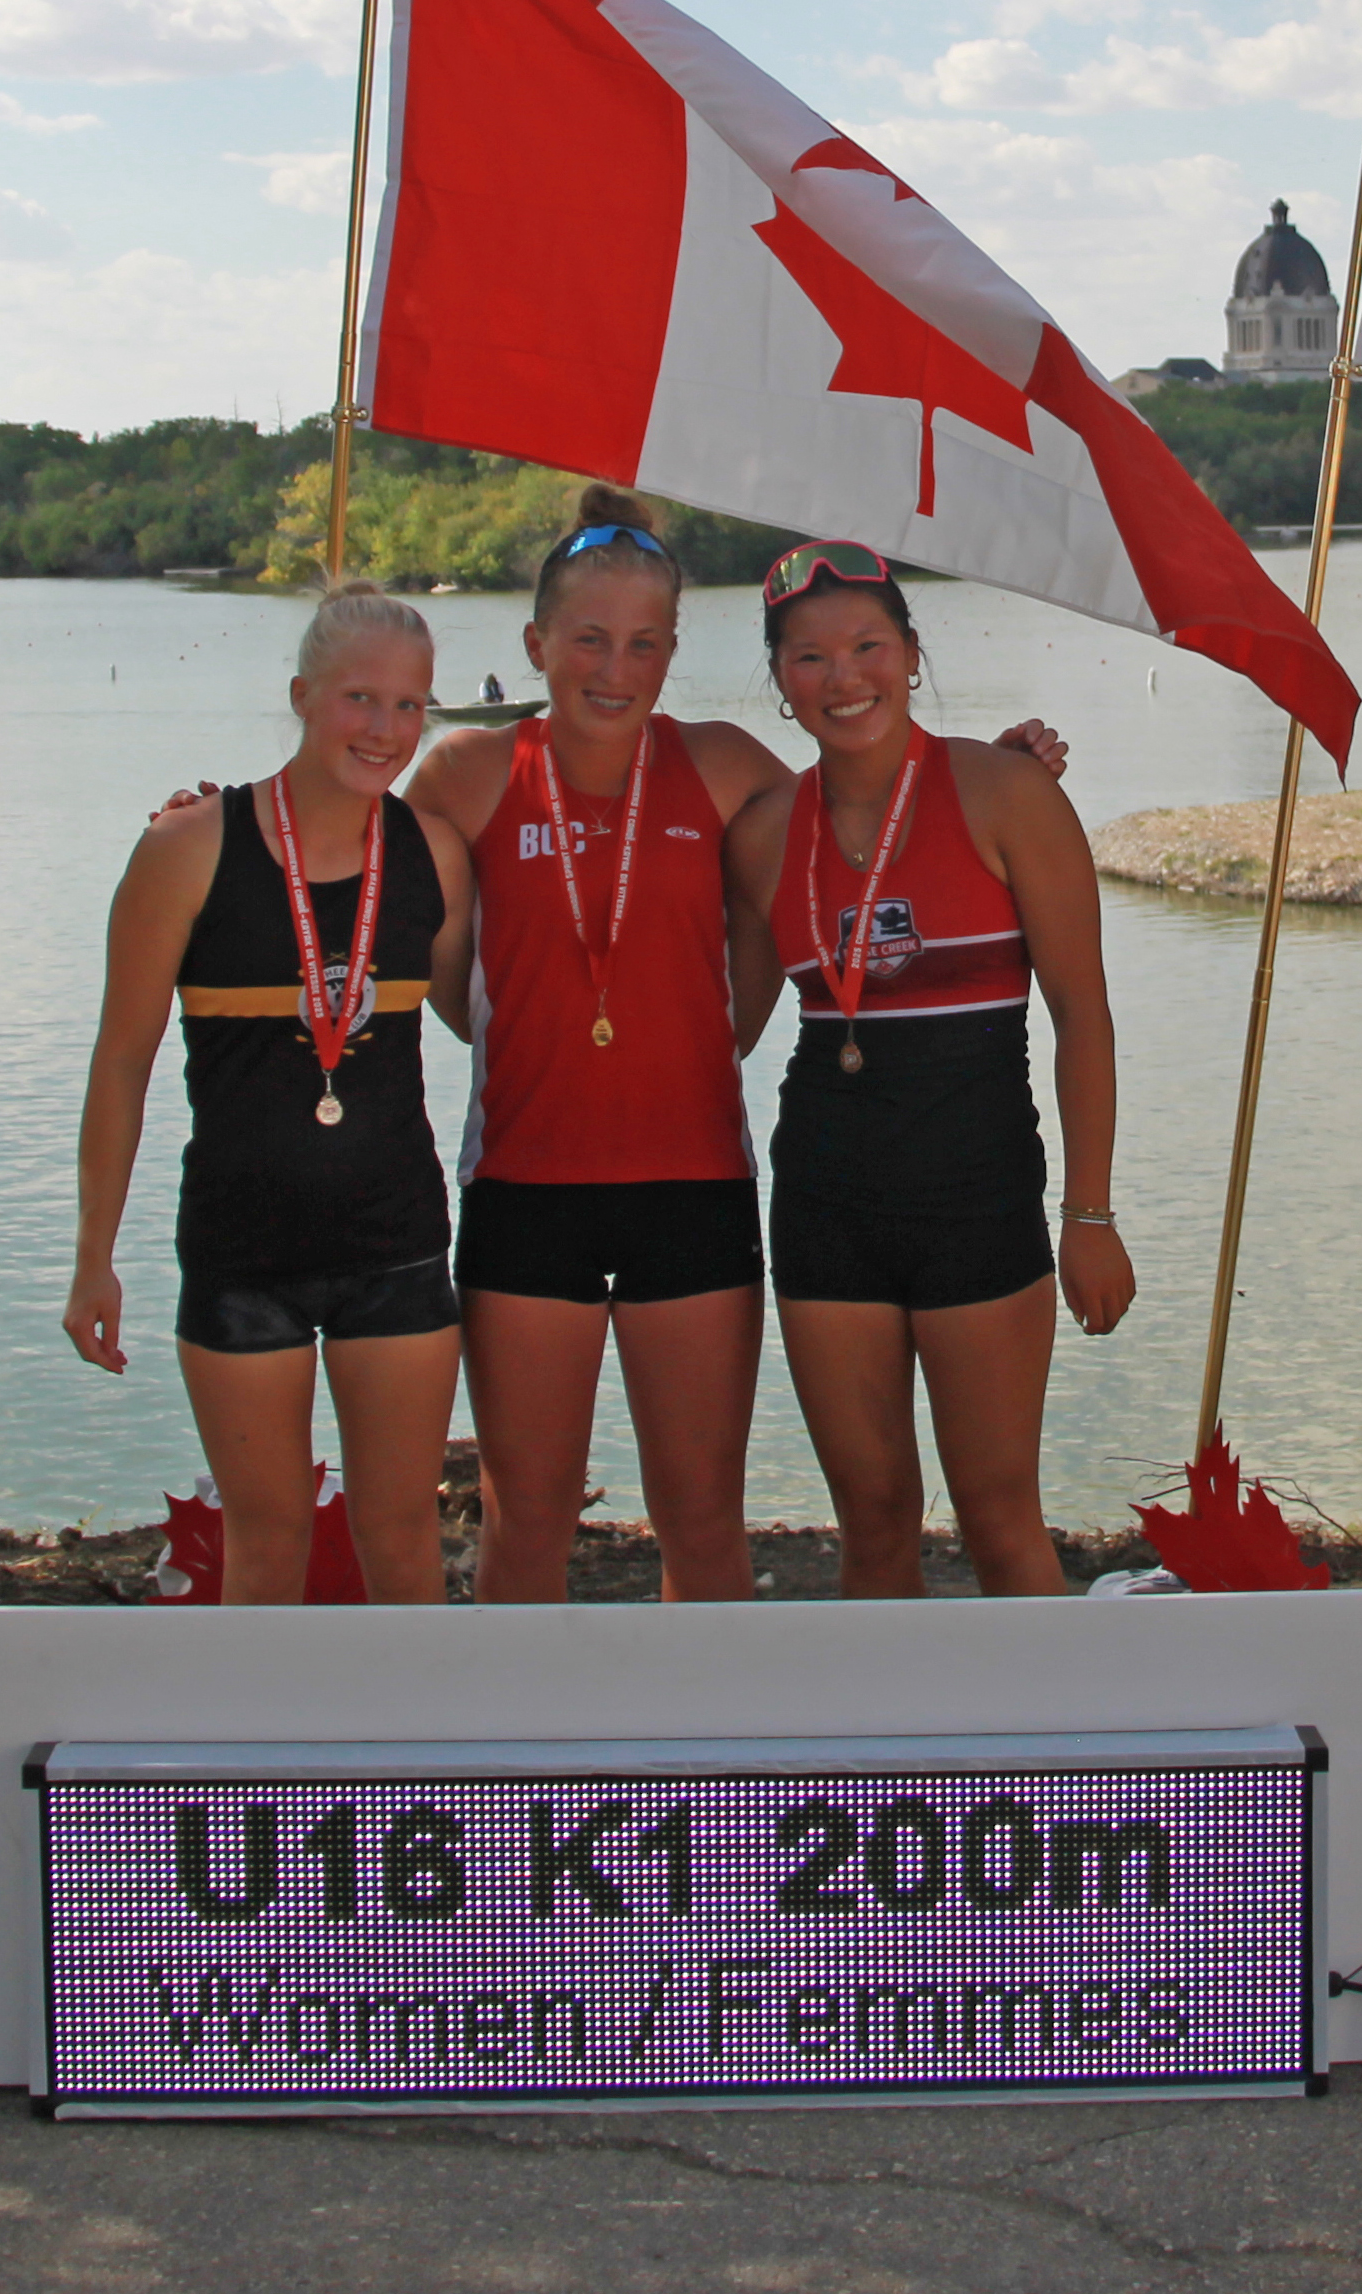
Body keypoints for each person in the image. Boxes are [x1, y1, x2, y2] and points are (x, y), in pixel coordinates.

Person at [408, 489, 1072, 1605]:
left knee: (702, 1523)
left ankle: (706, 1729)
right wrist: (211, 816)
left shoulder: (727, 771)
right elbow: (398, 928)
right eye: (587, 640)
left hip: (693, 1186)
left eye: (644, 643)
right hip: (523, 1186)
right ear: (534, 644)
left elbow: (863, 809)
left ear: (674, 652)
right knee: (524, 1517)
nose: (614, 668)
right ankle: (517, 1726)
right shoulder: (461, 775)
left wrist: (992, 770)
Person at [724, 540, 1135, 1600]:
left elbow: (1081, 1015)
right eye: (809, 657)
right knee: (870, 1524)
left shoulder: (1005, 794)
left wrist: (1088, 1213)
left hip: (976, 1203)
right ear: (778, 679)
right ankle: (891, 1720)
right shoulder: (764, 833)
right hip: (823, 1207)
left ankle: (1050, 1721)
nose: (843, 677)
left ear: (912, 653)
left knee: (999, 1520)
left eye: (868, 646)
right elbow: (726, 1029)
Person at [61, 583, 475, 1603]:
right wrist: (92, 1258)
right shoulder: (186, 848)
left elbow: (481, 1018)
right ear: (300, 696)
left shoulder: (434, 854)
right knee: (265, 1538)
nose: (384, 729)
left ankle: (416, 1721)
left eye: (409, 704)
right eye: (358, 697)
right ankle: (261, 1719)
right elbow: (120, 1061)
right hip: (241, 1253)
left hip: (396, 1244)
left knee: (401, 1537)